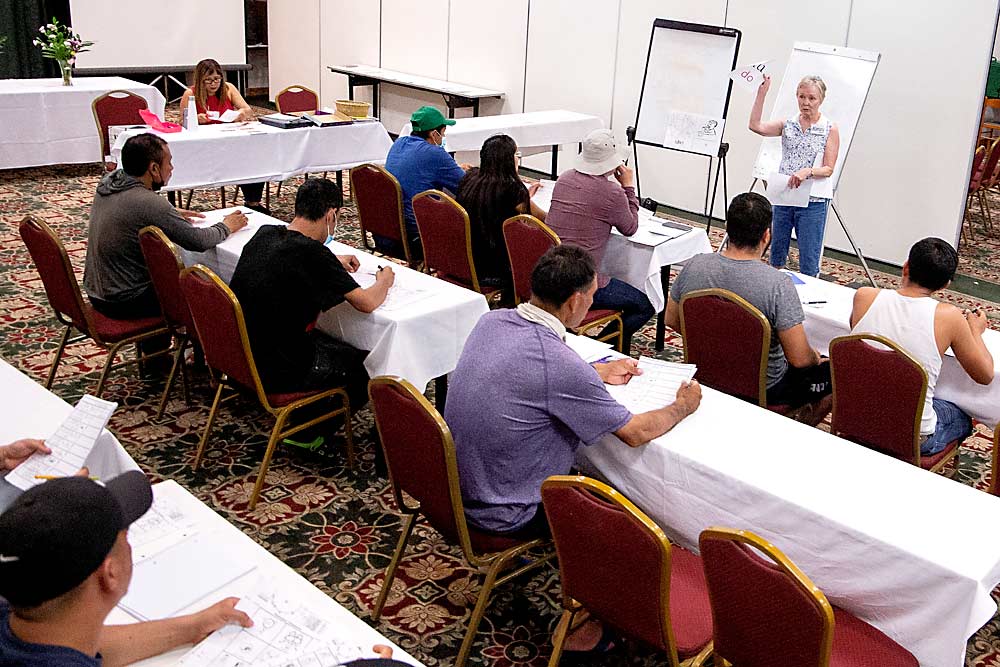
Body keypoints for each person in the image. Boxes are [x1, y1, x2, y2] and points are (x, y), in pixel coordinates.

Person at [445, 244, 701, 538]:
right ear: (574, 302)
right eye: (592, 297)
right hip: (508, 511)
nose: (592, 304)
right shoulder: (560, 364)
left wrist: (595, 371)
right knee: (631, 518)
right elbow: (635, 433)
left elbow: (527, 375)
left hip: (457, 487)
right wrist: (682, 405)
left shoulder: (491, 320)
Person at [0, 471, 253, 665]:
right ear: (110, 573)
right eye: (126, 535)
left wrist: (192, 627)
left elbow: (78, 643)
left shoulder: (22, 621)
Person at [665, 193, 832, 421]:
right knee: (838, 373)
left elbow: (671, 319)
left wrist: (716, 339)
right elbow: (799, 359)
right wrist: (816, 357)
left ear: (727, 228)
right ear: (766, 235)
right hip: (765, 388)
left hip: (704, 372)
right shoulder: (778, 284)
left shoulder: (694, 266)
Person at [229, 178, 394, 408]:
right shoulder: (313, 254)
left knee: (327, 338)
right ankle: (307, 437)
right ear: (331, 216)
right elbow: (366, 302)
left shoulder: (264, 234)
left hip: (240, 356)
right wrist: (385, 281)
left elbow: (290, 259)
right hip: (278, 370)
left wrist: (332, 261)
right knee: (362, 369)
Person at [850, 238, 994, 455]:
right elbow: (985, 375)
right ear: (945, 284)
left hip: (856, 418)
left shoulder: (864, 296)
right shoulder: (949, 317)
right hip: (913, 436)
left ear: (906, 266)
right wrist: (975, 331)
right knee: (962, 416)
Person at [83, 133, 247, 320]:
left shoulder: (110, 182)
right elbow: (198, 241)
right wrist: (226, 226)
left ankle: (158, 348)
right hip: (124, 300)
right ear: (153, 168)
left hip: (97, 291)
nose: (172, 168)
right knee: (216, 298)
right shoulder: (148, 203)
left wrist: (169, 212)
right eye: (169, 162)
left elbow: (132, 212)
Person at [543, 129, 655, 344]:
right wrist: (629, 188)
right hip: (580, 281)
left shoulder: (565, 178)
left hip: (550, 272)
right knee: (645, 305)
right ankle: (602, 346)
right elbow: (630, 227)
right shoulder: (612, 192)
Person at [749, 74, 841, 278]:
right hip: (785, 195)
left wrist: (808, 171)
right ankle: (774, 292)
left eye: (811, 98)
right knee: (776, 254)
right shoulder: (788, 124)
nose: (805, 102)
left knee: (809, 257)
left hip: (812, 200)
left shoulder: (829, 128)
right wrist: (761, 94)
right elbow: (756, 126)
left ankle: (808, 297)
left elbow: (828, 168)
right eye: (801, 97)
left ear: (821, 100)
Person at [455, 134, 546, 288]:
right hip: (495, 268)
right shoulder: (511, 189)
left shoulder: (470, 178)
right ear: (508, 160)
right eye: (516, 155)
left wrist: (527, 194)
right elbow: (542, 218)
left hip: (464, 259)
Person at [178, 58, 268, 213]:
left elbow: (248, 110)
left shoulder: (228, 88)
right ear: (200, 80)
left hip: (230, 139)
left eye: (217, 79)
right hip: (204, 144)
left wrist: (239, 113)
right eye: (208, 81)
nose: (213, 84)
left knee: (254, 155)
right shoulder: (190, 94)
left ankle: (253, 201)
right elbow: (181, 122)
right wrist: (196, 119)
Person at [381, 106, 470, 256]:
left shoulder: (399, 143)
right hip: (416, 236)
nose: (443, 137)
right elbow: (467, 186)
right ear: (434, 133)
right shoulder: (435, 154)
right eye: (443, 133)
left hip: (387, 229)